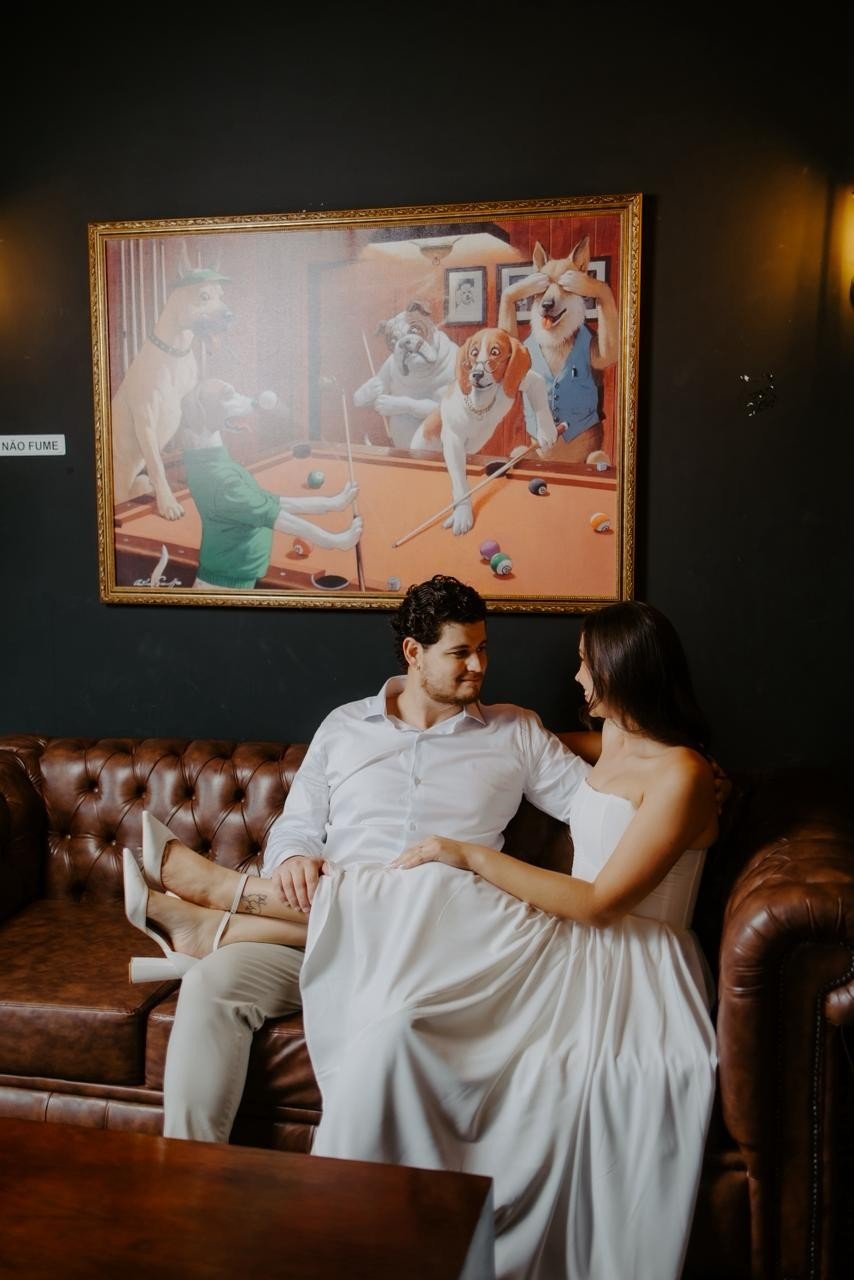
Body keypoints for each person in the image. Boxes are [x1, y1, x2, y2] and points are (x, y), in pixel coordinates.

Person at [297, 598, 719, 1280]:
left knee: (535, 1070)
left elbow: (601, 904)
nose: (576, 677)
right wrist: (497, 737)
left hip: (634, 961)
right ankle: (361, 1235)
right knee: (399, 1030)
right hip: (568, 949)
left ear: (620, 670)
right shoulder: (615, 740)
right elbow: (557, 749)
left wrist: (470, 854)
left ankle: (491, 1244)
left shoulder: (686, 777)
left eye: (585, 664)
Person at [124, 575, 597, 1143]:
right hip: (324, 930)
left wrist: (654, 767)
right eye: (460, 653)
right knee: (212, 984)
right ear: (414, 653)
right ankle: (191, 1175)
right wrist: (294, 858)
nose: (478, 665)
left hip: (432, 944)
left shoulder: (514, 732)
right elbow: (297, 826)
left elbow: (595, 806)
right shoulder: (345, 726)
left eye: (483, 649)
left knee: (413, 901)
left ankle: (221, 907)